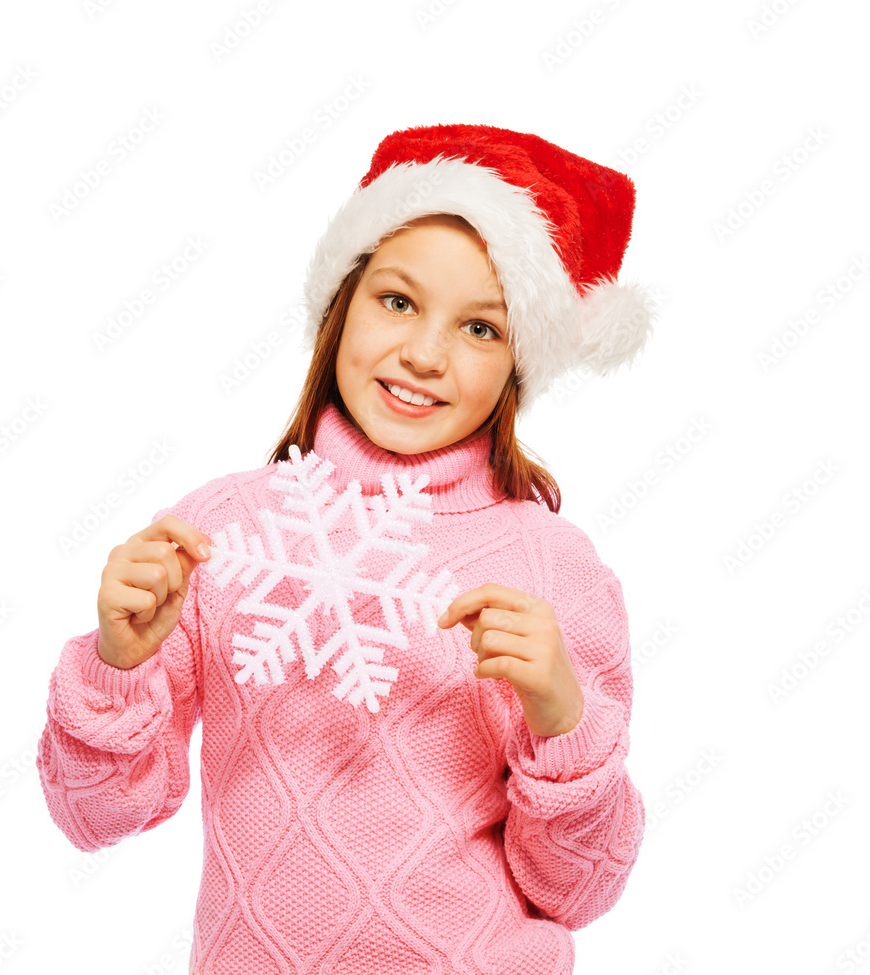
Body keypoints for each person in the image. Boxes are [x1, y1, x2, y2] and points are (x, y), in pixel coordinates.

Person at [36, 122, 655, 975]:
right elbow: (90, 816)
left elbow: (581, 889)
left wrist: (562, 715)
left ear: (519, 363)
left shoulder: (556, 570)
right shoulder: (222, 534)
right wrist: (115, 664)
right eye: (398, 302)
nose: (425, 355)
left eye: (481, 329)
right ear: (342, 303)